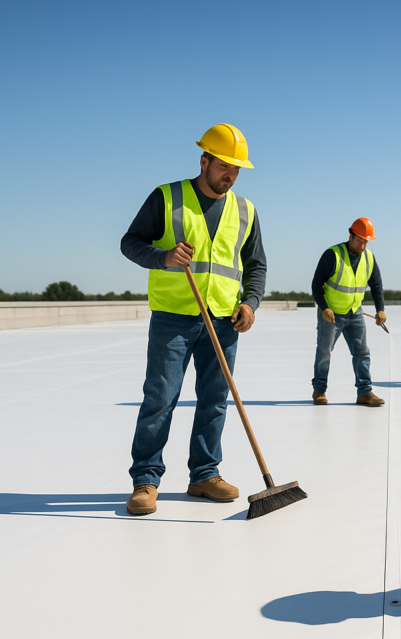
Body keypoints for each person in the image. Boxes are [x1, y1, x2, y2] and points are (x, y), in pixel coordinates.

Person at [119, 123, 266, 516]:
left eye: (237, 169)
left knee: (215, 400)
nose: (230, 175)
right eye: (224, 167)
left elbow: (256, 266)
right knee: (160, 399)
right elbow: (130, 243)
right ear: (204, 161)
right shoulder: (167, 197)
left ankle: (204, 474)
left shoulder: (246, 210)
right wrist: (163, 258)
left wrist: (250, 303)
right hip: (174, 318)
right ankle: (146, 480)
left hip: (224, 320)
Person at [311, 217, 387, 407]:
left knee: (362, 353)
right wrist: (324, 308)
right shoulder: (333, 255)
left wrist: (380, 310)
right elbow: (316, 284)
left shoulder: (369, 258)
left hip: (355, 313)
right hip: (332, 315)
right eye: (360, 240)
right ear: (350, 235)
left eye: (366, 241)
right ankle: (319, 391)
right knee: (324, 352)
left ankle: (365, 392)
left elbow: (376, 285)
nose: (363, 245)